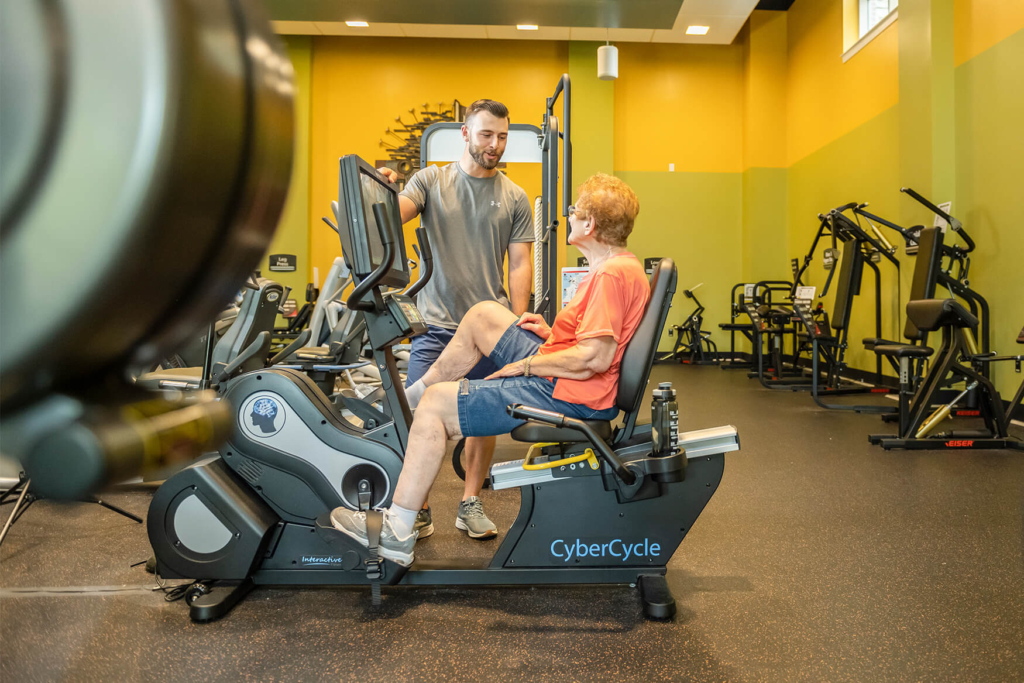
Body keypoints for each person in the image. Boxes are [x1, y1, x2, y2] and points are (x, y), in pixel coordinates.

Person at [330, 173, 650, 567]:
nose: (569, 217)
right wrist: (552, 335)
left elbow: (595, 358)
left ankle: (397, 530)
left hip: (569, 392)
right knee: (483, 314)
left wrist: (527, 364)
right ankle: (407, 400)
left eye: (574, 212)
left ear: (590, 225)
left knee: (435, 406)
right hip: (571, 379)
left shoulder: (610, 275)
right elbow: (596, 344)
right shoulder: (617, 266)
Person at [376, 99, 534, 541]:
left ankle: (470, 502)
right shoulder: (431, 180)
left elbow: (520, 263)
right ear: (465, 134)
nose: (495, 145)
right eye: (486, 135)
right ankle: (419, 507)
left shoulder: (514, 196)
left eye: (502, 137)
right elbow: (395, 215)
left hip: (490, 330)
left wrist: (516, 323)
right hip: (437, 326)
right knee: (420, 417)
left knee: (482, 418)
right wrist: (385, 189)